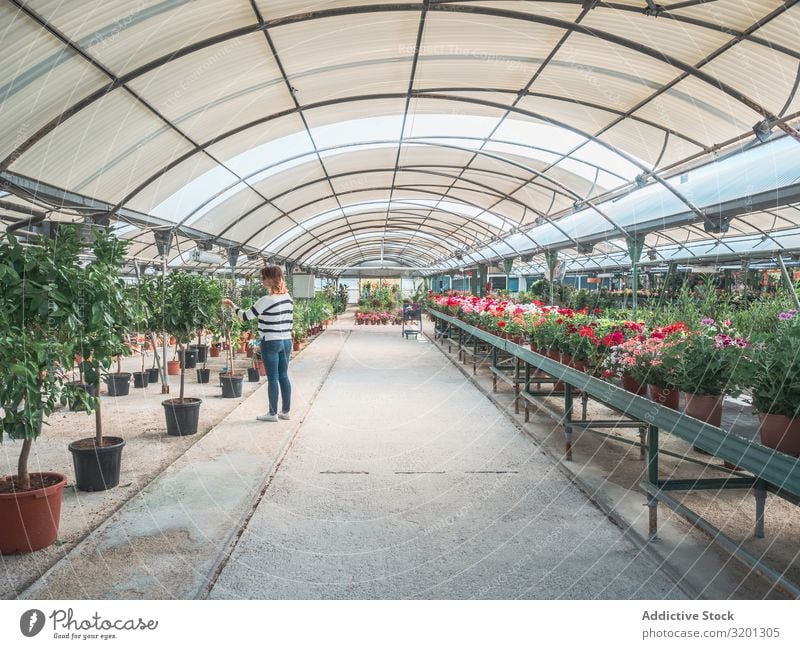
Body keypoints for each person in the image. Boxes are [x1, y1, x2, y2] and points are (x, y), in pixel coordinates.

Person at [222, 266, 293, 423]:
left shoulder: (266, 300)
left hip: (271, 342)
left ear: (270, 279)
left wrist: (232, 306)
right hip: (286, 341)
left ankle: (272, 413)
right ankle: (285, 411)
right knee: (283, 376)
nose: (262, 281)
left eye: (263, 278)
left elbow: (245, 316)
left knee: (273, 378)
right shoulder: (288, 298)